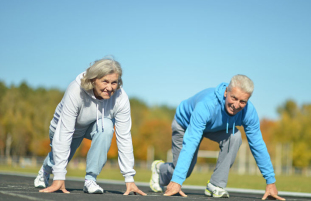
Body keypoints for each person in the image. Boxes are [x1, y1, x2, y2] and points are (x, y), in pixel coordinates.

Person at [150, 74, 285, 200]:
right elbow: (191, 142)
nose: (236, 105)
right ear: (226, 92)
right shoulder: (207, 105)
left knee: (235, 136)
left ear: (248, 100)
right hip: (185, 124)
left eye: (243, 101)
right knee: (184, 170)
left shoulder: (249, 113)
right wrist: (177, 180)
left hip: (213, 127)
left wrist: (270, 181)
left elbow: (258, 145)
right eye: (234, 98)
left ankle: (215, 185)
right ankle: (160, 168)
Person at [34, 57, 146, 196]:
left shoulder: (121, 98)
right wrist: (59, 178)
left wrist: (129, 179)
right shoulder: (75, 90)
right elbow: (64, 133)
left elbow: (124, 138)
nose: (109, 88)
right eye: (105, 81)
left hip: (92, 126)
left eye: (114, 82)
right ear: (93, 80)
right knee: (59, 158)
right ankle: (46, 169)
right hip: (64, 128)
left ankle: (90, 180)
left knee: (106, 126)